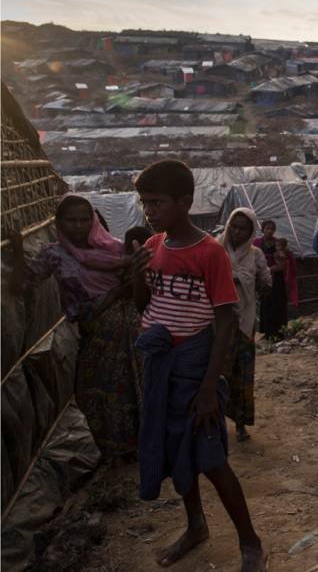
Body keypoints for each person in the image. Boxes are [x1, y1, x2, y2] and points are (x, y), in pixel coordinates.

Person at [129, 160, 267, 571]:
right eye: (145, 203)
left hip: (194, 368)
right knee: (175, 454)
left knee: (211, 459)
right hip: (160, 368)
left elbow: (224, 318)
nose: (149, 211)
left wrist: (210, 385)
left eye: (157, 202)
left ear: (185, 202)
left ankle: (251, 542)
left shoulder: (209, 252)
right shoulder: (154, 247)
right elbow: (144, 306)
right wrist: (137, 276)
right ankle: (196, 526)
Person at [8, 195, 142, 459]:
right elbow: (20, 287)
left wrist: (115, 295)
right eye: (71, 220)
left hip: (125, 325)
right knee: (91, 393)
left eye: (84, 220)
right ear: (59, 222)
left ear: (93, 221)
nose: (78, 226)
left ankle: (135, 448)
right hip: (92, 330)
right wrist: (17, 250)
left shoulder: (116, 249)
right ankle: (114, 449)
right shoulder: (54, 254)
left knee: (128, 384)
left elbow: (133, 289)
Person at [218, 208, 271, 443]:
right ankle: (216, 422)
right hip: (217, 323)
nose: (237, 232)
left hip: (244, 322)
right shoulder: (216, 250)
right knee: (218, 375)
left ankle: (240, 424)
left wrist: (253, 282)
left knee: (243, 375)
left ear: (251, 232)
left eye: (243, 229)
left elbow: (265, 284)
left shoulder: (256, 254)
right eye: (234, 227)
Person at [254, 220, 287, 339]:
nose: (270, 231)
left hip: (277, 278)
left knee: (278, 303)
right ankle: (267, 332)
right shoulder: (257, 243)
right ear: (262, 229)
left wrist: (273, 268)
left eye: (272, 229)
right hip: (263, 277)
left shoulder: (278, 243)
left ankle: (279, 331)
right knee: (266, 303)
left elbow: (283, 261)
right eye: (267, 228)